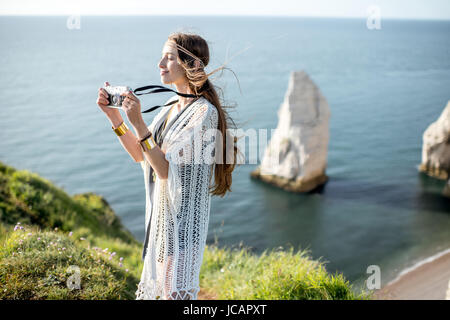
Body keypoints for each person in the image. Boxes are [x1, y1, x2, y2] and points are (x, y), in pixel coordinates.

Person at [96, 32, 239, 300]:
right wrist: (114, 116)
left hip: (183, 228)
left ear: (191, 65)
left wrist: (138, 122)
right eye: (162, 57)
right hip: (161, 225)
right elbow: (141, 154)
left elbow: (164, 169)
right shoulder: (170, 106)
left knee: (174, 294)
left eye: (169, 58)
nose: (160, 63)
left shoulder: (204, 113)